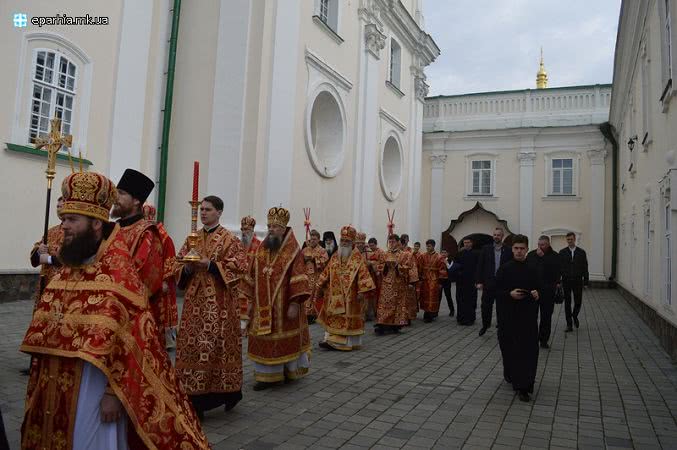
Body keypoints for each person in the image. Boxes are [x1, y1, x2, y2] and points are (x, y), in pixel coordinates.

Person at [20, 172, 208, 449]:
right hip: (56, 381)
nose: (64, 228)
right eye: (64, 220)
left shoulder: (120, 273)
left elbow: (131, 334)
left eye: (72, 220)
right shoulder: (67, 270)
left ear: (96, 224)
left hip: (93, 386)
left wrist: (113, 393)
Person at [173, 195, 249, 416]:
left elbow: (240, 267)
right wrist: (186, 269)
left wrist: (211, 265)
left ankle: (213, 398)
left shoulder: (229, 239)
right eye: (202, 209)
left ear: (219, 212)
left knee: (213, 349)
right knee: (191, 348)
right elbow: (177, 263)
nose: (203, 213)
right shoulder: (192, 238)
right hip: (192, 305)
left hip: (218, 305)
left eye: (208, 209)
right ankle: (190, 394)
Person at [242, 207, 312, 390]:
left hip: (283, 306)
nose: (271, 229)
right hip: (261, 304)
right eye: (269, 226)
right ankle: (266, 377)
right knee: (262, 338)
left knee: (282, 340)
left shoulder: (293, 250)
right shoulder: (262, 249)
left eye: (275, 226)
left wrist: (295, 303)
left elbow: (299, 277)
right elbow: (251, 274)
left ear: (283, 228)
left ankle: (287, 372)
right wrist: (248, 303)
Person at [111, 169, 167, 345]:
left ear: (136, 201)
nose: (115, 197)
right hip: (107, 306)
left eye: (121, 193)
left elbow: (146, 277)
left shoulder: (147, 233)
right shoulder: (111, 229)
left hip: (131, 312)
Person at [494, 234, 541, 402]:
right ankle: (512, 374)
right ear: (512, 249)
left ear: (527, 249)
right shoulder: (505, 269)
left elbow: (542, 288)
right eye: (516, 248)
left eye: (522, 248)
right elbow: (495, 291)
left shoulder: (533, 268)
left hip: (528, 317)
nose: (519, 251)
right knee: (511, 350)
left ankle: (525, 386)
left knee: (528, 351)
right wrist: (509, 294)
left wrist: (538, 292)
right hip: (509, 317)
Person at [315, 226, 375, 350]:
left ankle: (345, 342)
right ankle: (330, 339)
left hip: (351, 294)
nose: (343, 243)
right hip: (335, 293)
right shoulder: (335, 256)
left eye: (347, 241)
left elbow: (364, 275)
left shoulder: (358, 258)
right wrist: (320, 285)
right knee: (333, 315)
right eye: (342, 240)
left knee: (347, 317)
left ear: (352, 243)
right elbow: (327, 272)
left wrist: (361, 291)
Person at [142, 203, 179, 350]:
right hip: (145, 282)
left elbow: (170, 259)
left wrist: (165, 280)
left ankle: (165, 341)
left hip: (160, 283)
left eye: (148, 219)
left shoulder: (164, 238)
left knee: (160, 311)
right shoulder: (142, 235)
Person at [374, 234, 418, 335]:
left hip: (399, 284)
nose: (391, 244)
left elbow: (410, 267)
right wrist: (384, 266)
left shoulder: (405, 255)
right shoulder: (384, 254)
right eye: (390, 242)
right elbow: (379, 266)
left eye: (393, 242)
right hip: (386, 284)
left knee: (397, 305)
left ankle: (396, 324)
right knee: (385, 303)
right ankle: (382, 323)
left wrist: (398, 266)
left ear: (398, 242)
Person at [476, 227, 511, 336]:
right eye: (495, 234)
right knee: (486, 306)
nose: (496, 236)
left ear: (502, 236)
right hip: (488, 282)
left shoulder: (508, 250)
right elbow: (480, 265)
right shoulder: (486, 249)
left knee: (502, 306)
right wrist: (479, 281)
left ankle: (501, 325)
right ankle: (485, 325)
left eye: (498, 235)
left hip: (502, 283)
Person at [527, 235, 562, 348]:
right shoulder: (532, 254)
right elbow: (527, 270)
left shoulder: (555, 256)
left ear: (548, 244)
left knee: (546, 317)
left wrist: (543, 258)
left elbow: (556, 273)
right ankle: (532, 338)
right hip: (534, 292)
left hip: (548, 292)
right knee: (532, 316)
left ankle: (543, 339)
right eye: (538, 244)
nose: (540, 247)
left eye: (542, 245)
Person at [559, 232, 589, 332]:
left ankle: (574, 315)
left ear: (574, 239)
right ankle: (569, 325)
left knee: (578, 301)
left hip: (577, 280)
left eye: (571, 239)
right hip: (566, 280)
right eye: (568, 240)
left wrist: (586, 281)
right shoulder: (562, 252)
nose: (570, 241)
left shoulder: (581, 252)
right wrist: (558, 280)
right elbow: (559, 267)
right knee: (567, 303)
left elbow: (585, 267)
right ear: (566, 240)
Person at [302, 229, 329, 323]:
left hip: (317, 276)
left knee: (316, 295)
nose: (312, 241)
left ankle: (314, 314)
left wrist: (313, 259)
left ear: (318, 240)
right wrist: (304, 260)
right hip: (307, 277)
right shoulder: (305, 249)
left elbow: (325, 262)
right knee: (307, 295)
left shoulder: (322, 250)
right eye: (311, 239)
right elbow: (300, 262)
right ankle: (306, 314)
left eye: (314, 239)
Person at [417, 239, 448, 322]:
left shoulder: (439, 257)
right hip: (425, 280)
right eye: (427, 246)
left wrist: (441, 282)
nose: (427, 247)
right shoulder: (423, 256)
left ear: (433, 246)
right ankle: (426, 312)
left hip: (434, 280)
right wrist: (419, 278)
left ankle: (430, 315)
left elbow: (442, 270)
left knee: (432, 297)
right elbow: (419, 267)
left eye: (429, 246)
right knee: (424, 296)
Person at [239, 215, 261, 323]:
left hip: (252, 287)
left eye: (246, 229)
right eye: (242, 229)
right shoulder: (238, 244)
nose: (243, 232)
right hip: (238, 285)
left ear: (252, 230)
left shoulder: (259, 246)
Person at [456, 238, 480, 325]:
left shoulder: (476, 254)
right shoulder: (459, 254)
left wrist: (478, 280)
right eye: (464, 242)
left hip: (472, 281)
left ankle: (470, 319)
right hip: (461, 281)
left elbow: (479, 268)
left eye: (468, 242)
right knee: (460, 300)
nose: (466, 244)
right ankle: (461, 318)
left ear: (471, 243)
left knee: (471, 300)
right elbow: (456, 265)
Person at [365, 237, 385, 321]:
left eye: (372, 245)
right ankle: (370, 313)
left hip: (378, 277)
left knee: (378, 294)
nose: (371, 247)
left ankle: (378, 312)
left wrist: (374, 265)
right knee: (370, 295)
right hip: (370, 276)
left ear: (376, 244)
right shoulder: (368, 252)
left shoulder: (381, 252)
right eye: (370, 246)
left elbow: (384, 264)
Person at [400, 234, 418, 323]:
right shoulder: (396, 253)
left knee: (408, 300)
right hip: (399, 281)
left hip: (407, 280)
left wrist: (412, 282)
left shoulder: (409, 253)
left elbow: (413, 267)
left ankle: (408, 318)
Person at [439, 250, 455, 316]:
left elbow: (450, 268)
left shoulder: (450, 260)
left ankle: (452, 310)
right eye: (442, 253)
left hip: (447, 281)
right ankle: (435, 311)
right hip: (439, 280)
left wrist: (446, 263)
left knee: (448, 296)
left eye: (445, 252)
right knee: (438, 296)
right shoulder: (438, 260)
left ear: (447, 254)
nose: (443, 254)